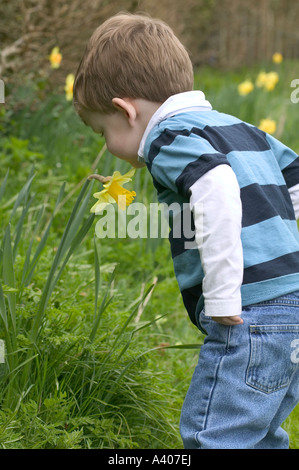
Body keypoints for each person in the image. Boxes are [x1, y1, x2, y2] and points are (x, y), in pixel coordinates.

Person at [73, 12, 299, 449]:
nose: (107, 146)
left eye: (103, 131)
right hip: (293, 307)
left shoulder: (166, 136)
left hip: (251, 313)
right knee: (260, 434)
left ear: (125, 110)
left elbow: (213, 185)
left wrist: (222, 293)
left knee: (217, 437)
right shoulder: (241, 128)